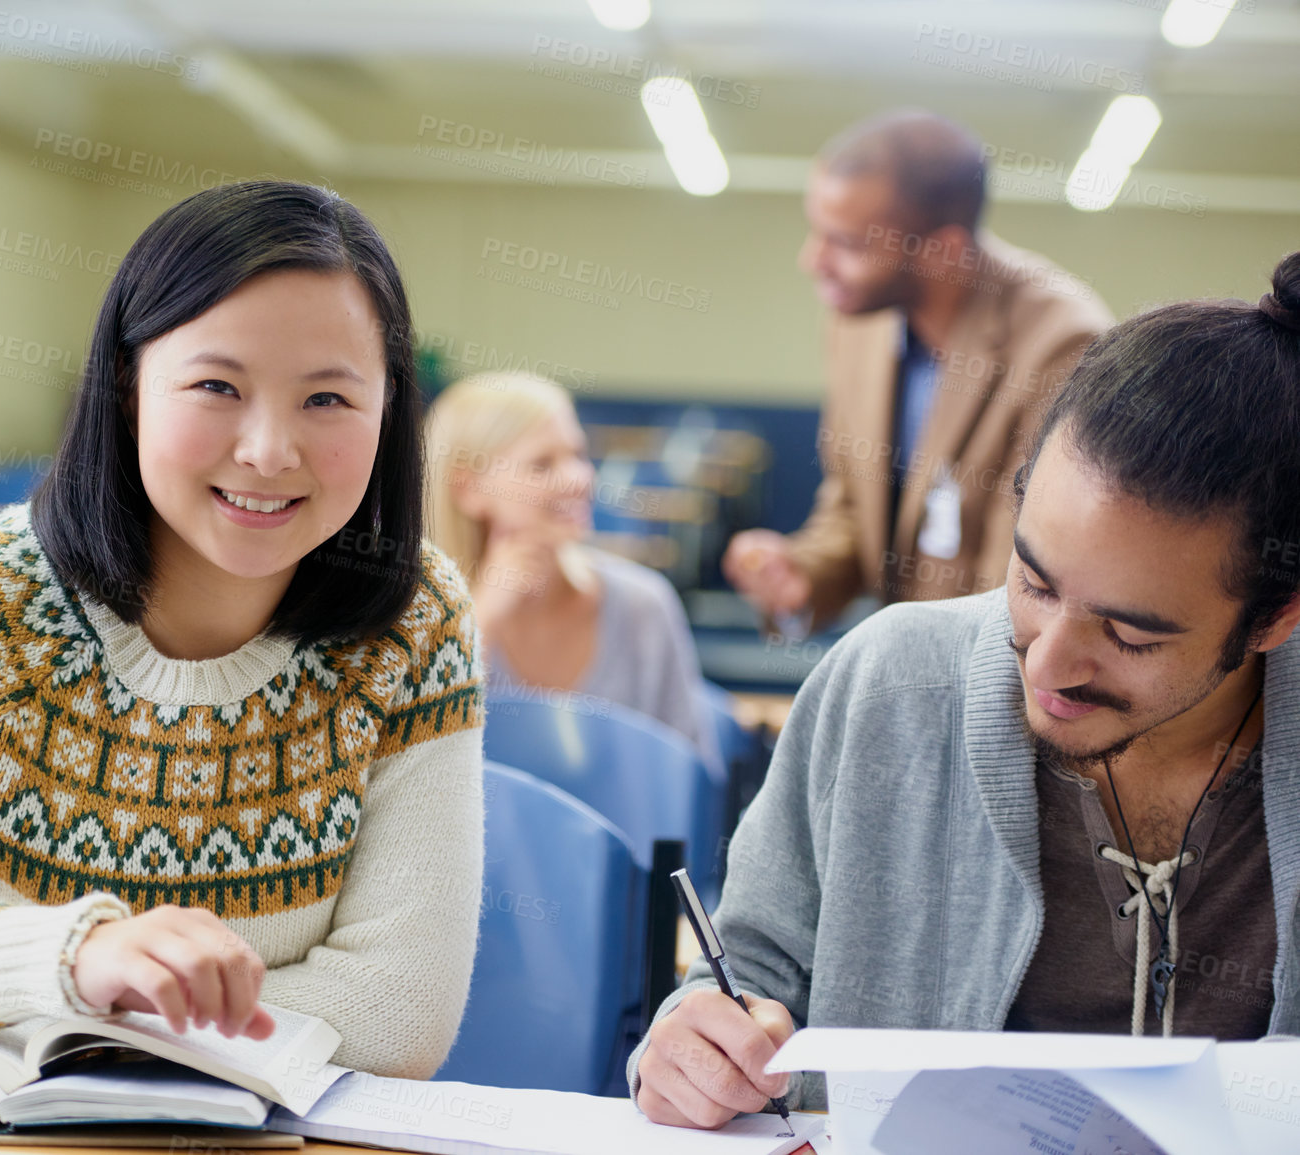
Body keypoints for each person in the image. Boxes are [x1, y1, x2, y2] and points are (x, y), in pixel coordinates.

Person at [0, 181, 487, 1079]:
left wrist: (97, 1015)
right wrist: (72, 961)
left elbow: (400, 1013)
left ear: (391, 409)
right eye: (215, 385)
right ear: (126, 387)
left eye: (327, 400)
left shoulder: (415, 621)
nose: (268, 450)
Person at [632, 252, 1300, 1126]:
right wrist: (690, 1046)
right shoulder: (883, 682)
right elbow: (746, 977)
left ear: (1273, 618)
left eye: (1129, 633)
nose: (1048, 662)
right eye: (1033, 579)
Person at [723, 110, 1113, 632]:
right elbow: (853, 502)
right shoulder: (856, 324)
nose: (812, 260)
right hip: (909, 660)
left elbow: (1021, 584)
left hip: (993, 682)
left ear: (943, 250)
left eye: (847, 243)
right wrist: (803, 572)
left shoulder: (1065, 347)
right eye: (818, 231)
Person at [424, 372, 721, 772]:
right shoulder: (415, 615)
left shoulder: (643, 605)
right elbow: (416, 774)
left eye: (578, 456)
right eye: (542, 464)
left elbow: (691, 784)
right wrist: (482, 622)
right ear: (467, 489)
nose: (578, 479)